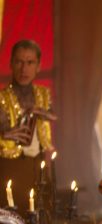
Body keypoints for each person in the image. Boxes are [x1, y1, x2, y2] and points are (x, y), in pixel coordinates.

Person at [0, 39, 57, 210]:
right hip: (10, 164)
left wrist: (41, 112)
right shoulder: (2, 97)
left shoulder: (43, 94)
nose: (24, 69)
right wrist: (5, 134)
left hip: (38, 163)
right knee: (13, 214)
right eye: (19, 62)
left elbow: (53, 116)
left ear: (38, 66)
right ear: (11, 64)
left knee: (41, 212)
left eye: (30, 63)